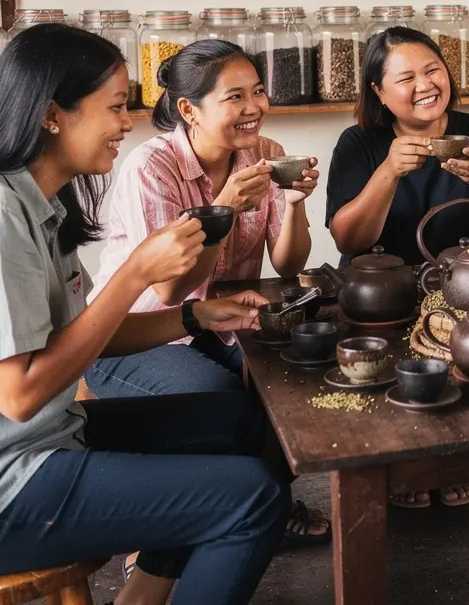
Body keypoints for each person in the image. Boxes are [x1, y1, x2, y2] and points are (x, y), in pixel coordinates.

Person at [0, 23, 288, 605]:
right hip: (15, 480)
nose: (127, 123)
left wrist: (196, 317)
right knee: (253, 498)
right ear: (53, 114)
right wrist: (136, 273)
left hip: (53, 438)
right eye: (113, 107)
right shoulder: (4, 215)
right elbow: (20, 395)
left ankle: (141, 597)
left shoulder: (46, 203)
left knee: (247, 423)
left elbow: (85, 337)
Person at [87, 39, 328, 546]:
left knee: (291, 386)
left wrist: (297, 202)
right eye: (234, 97)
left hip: (225, 322)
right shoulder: (150, 169)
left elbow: (288, 264)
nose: (253, 108)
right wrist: (222, 209)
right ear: (188, 110)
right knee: (220, 400)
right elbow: (171, 287)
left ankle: (266, 506)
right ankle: (173, 534)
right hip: (134, 334)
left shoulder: (266, 154)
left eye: (258, 92)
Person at [327, 27, 469, 507]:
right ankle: (403, 466)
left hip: (461, 286)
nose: (425, 85)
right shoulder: (359, 143)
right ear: (378, 91)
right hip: (381, 292)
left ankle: (451, 461)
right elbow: (348, 239)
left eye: (433, 69)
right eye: (406, 77)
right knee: (390, 372)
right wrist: (388, 172)